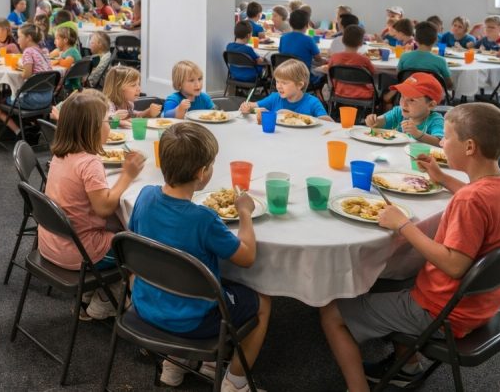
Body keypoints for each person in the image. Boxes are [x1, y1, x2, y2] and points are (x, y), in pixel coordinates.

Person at [321, 103, 500, 392]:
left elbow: (455, 264)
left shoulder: (469, 201)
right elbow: (477, 197)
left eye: (447, 138)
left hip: (443, 311)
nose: (441, 143)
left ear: (469, 147)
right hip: (484, 304)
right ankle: (408, 365)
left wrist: (403, 225)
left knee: (331, 312)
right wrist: (443, 179)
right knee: (390, 279)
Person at [131, 122, 271, 390]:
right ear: (201, 173)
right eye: (211, 164)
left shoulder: (144, 196)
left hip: (145, 305)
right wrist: (244, 212)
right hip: (191, 321)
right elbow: (247, 257)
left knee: (177, 276)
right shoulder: (203, 219)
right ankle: (236, 382)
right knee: (263, 301)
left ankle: (173, 364)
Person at [41, 91, 144, 319]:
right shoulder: (90, 163)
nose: (110, 126)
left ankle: (91, 294)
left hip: (52, 244)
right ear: (92, 128)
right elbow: (104, 208)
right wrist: (127, 175)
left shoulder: (62, 153)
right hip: (80, 254)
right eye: (108, 121)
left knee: (115, 225)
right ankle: (108, 301)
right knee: (134, 243)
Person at [0, 25, 55, 137]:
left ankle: (19, 132)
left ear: (28, 38)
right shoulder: (44, 51)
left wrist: (20, 71)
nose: (17, 40)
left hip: (32, 100)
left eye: (20, 37)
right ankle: (31, 125)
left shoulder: (28, 52)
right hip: (47, 98)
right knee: (13, 95)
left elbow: (27, 74)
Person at [365, 73, 445, 146]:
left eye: (412, 100)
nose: (404, 104)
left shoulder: (435, 120)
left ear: (431, 105)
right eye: (402, 97)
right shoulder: (398, 112)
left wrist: (417, 134)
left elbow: (439, 142)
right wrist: (373, 121)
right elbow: (381, 122)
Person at [240, 59, 330, 120]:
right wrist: (247, 107)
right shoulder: (275, 97)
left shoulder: (312, 102)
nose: (279, 86)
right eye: (277, 81)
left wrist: (293, 115)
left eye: (284, 83)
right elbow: (253, 105)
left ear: (299, 85)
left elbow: (329, 123)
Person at [321, 25, 377, 106]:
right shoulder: (364, 59)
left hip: (339, 91)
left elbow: (330, 72)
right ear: (361, 42)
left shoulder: (334, 58)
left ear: (343, 40)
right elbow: (373, 72)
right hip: (362, 94)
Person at [398, 21, 453, 88]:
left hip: (409, 94)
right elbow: (449, 84)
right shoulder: (440, 61)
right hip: (431, 96)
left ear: (415, 39)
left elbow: (399, 76)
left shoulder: (404, 57)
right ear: (435, 40)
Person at [278, 8, 323, 88]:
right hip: (303, 78)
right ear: (307, 24)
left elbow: (281, 54)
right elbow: (318, 59)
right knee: (323, 73)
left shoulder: (283, 38)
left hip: (285, 75)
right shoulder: (308, 39)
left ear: (290, 23)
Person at [226, 21, 267, 86]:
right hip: (250, 76)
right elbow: (259, 61)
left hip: (234, 74)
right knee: (266, 66)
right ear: (248, 35)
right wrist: (263, 59)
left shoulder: (229, 46)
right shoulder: (248, 49)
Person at [51, 25, 83, 93]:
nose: (54, 42)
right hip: (73, 85)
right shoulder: (71, 50)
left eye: (57, 39)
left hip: (71, 87)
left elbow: (67, 63)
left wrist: (58, 60)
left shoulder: (71, 52)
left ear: (65, 40)